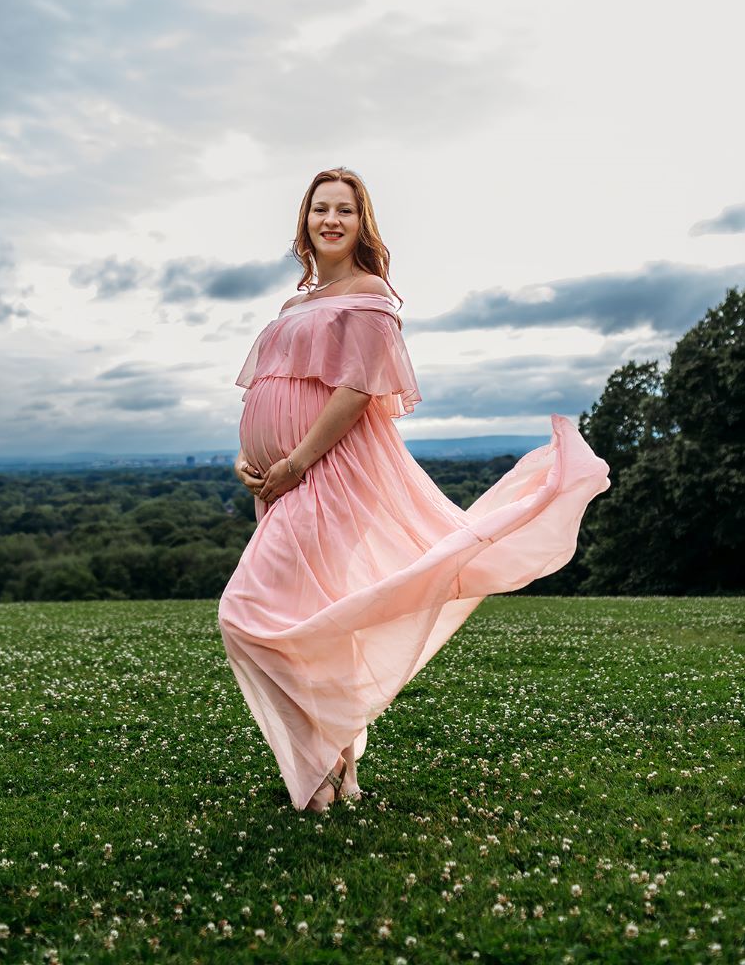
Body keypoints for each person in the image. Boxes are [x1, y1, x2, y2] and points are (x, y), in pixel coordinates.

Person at [218, 168, 611, 813]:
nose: (331, 220)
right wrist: (249, 455)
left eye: (345, 209)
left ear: (361, 222)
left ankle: (317, 759)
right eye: (321, 209)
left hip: (329, 476)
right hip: (277, 482)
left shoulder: (370, 294)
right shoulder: (293, 307)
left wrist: (295, 461)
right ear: (305, 221)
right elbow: (270, 389)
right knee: (324, 621)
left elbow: (357, 389)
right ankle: (337, 770)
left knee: (246, 616)